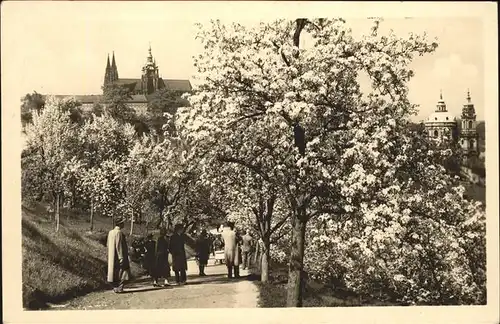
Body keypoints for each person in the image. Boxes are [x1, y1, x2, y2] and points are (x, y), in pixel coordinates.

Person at [107, 217, 131, 293]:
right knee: (123, 271)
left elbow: (107, 244)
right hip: (119, 255)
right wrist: (121, 257)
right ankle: (120, 286)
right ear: (120, 224)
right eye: (122, 223)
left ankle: (115, 286)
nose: (124, 224)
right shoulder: (119, 233)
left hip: (112, 255)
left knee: (114, 271)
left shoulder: (110, 232)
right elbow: (119, 245)